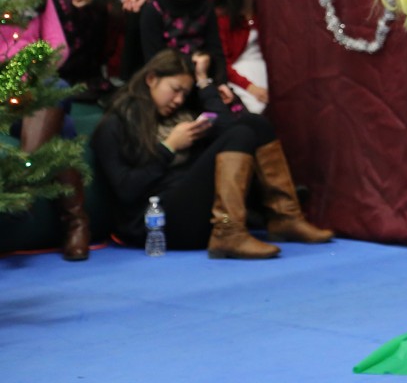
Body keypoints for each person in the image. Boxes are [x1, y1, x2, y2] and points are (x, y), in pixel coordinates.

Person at [90, 48, 333, 258]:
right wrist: (169, 147)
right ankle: (229, 233)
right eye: (175, 89)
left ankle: (285, 217)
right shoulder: (115, 123)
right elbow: (127, 190)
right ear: (151, 79)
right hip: (154, 223)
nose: (179, 100)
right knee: (241, 134)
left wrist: (204, 83)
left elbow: (232, 128)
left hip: (195, 210)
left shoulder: (182, 114)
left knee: (254, 123)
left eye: (185, 94)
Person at [0, 0, 90, 260]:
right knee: (62, 126)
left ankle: (23, 184)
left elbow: (57, 46)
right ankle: (77, 223)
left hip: (36, 87)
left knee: (56, 95)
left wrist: (31, 72)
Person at [139, 0, 233, 104]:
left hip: (203, 81)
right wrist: (192, 62)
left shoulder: (205, 7)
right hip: (168, 86)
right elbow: (154, 60)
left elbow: (216, 50)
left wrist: (221, 83)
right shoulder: (154, 8)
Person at [214, 0, 268, 114]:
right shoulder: (222, 19)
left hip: (267, 68)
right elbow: (223, 63)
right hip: (240, 75)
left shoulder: (265, 9)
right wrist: (250, 87)